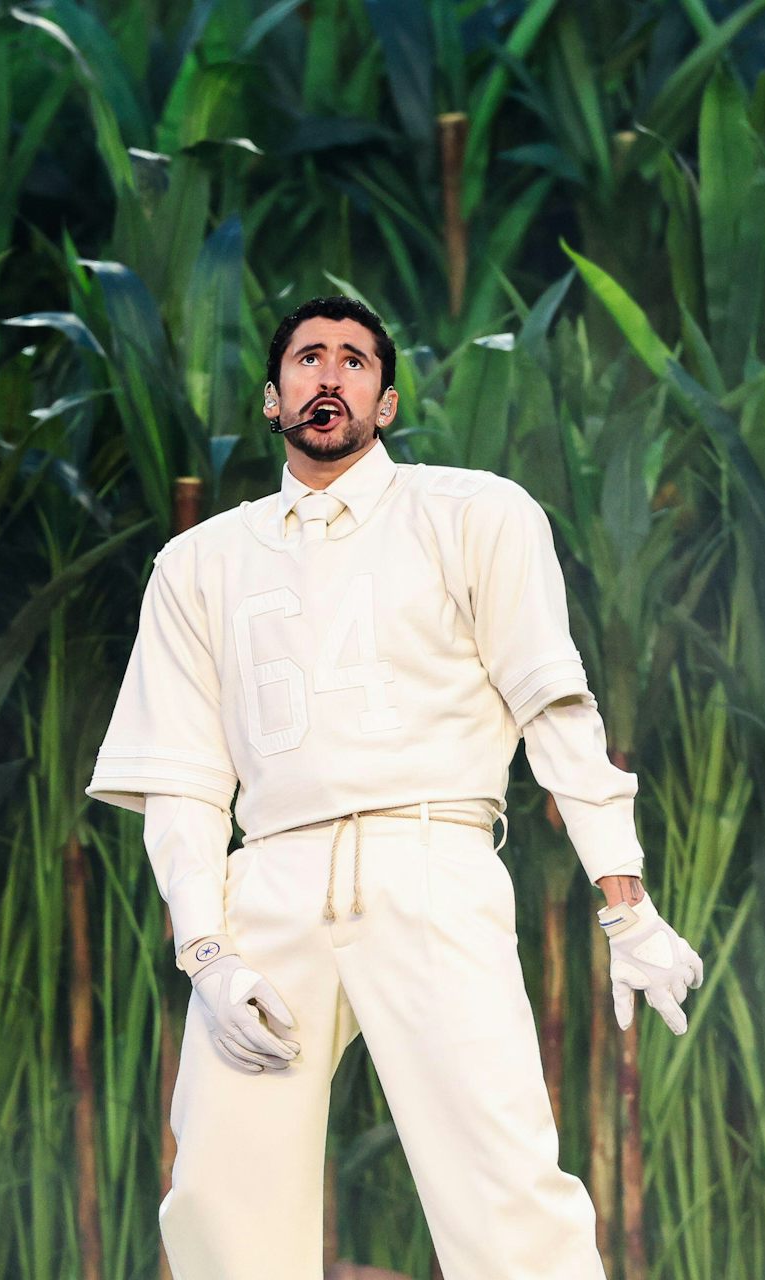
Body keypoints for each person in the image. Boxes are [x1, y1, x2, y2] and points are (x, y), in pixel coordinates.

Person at [86, 295, 705, 1279]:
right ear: (272, 396)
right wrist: (205, 951)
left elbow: (554, 705)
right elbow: (184, 782)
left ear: (386, 399)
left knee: (502, 1187)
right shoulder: (198, 562)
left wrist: (623, 903)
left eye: (353, 361)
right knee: (215, 1193)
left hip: (431, 860)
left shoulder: (473, 513)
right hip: (271, 882)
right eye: (305, 359)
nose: (327, 375)